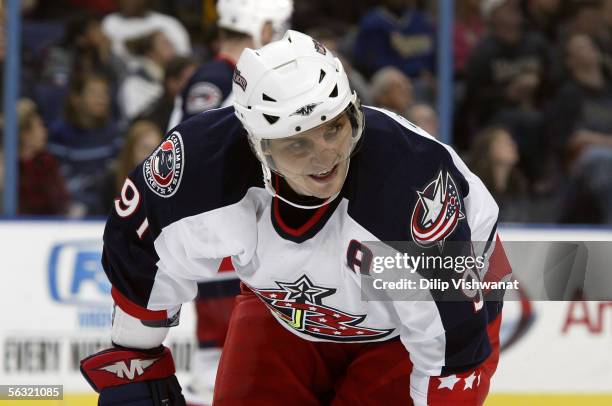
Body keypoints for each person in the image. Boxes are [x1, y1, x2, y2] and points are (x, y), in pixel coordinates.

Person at [81, 31, 508, 406]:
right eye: (297, 144)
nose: (326, 157)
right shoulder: (201, 169)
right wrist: (136, 364)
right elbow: (140, 251)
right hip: (286, 308)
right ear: (259, 146)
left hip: (418, 327)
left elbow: (452, 352)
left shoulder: (411, 195)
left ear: (353, 114)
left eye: (334, 129)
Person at [168, 0, 293, 128]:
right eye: (275, 28)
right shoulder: (215, 78)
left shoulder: (224, 74)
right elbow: (194, 141)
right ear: (264, 31)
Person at [47, 73, 121, 217]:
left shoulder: (115, 133)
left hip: (108, 206)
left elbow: (115, 176)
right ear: (76, 98)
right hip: (70, 209)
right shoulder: (59, 134)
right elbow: (59, 180)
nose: (101, 99)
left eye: (105, 93)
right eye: (94, 93)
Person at [17, 99, 70, 215]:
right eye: (39, 127)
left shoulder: (47, 162)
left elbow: (61, 200)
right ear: (25, 135)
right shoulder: (10, 165)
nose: (45, 132)